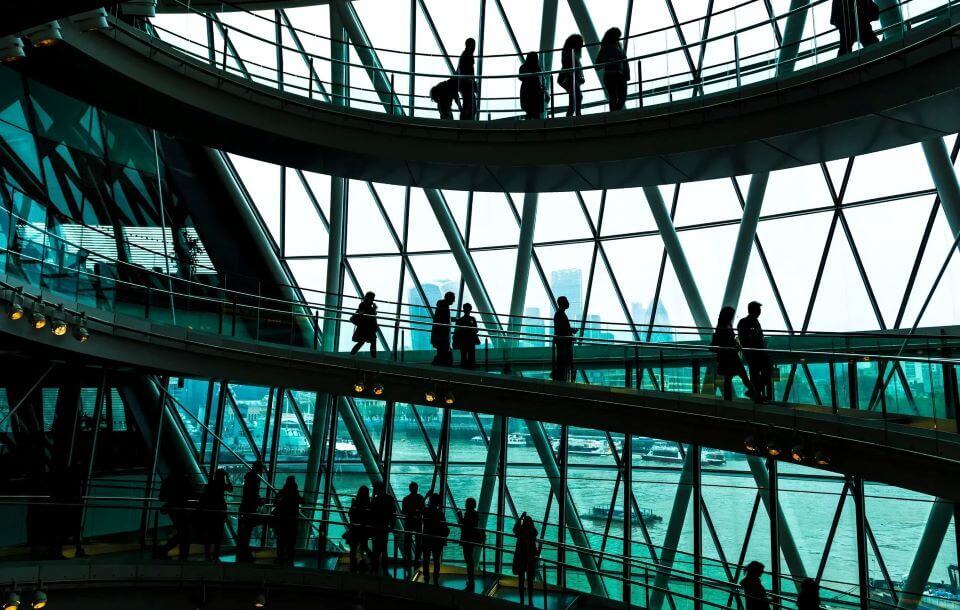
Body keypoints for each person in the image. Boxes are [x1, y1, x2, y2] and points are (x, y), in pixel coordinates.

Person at [712, 306, 755, 401]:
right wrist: (735, 345)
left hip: (728, 356)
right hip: (730, 356)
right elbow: (727, 341)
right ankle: (753, 393)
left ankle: (728, 399)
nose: (732, 316)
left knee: (729, 377)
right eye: (731, 314)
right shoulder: (725, 326)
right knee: (741, 374)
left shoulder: (722, 326)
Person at [737, 301, 773, 403]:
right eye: (759, 309)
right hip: (754, 353)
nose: (760, 311)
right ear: (755, 310)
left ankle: (755, 393)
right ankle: (756, 394)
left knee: (756, 375)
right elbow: (747, 339)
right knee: (763, 373)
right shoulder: (749, 322)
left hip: (754, 353)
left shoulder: (747, 322)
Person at [157, 470, 195, 561]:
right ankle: (182, 556)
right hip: (181, 509)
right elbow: (190, 493)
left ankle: (164, 550)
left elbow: (161, 497)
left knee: (182, 532)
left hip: (171, 509)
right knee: (185, 533)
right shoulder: (183, 479)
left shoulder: (167, 480)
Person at [200, 468, 233, 561]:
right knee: (218, 534)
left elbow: (204, 497)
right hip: (220, 512)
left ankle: (207, 554)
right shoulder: (222, 485)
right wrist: (228, 478)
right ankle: (216, 554)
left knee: (209, 533)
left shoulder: (210, 484)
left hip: (210, 512)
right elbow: (231, 489)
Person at [236, 461, 265, 563]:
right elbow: (252, 494)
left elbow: (250, 493)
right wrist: (259, 500)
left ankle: (242, 552)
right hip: (249, 509)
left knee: (245, 532)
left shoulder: (250, 478)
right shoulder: (254, 479)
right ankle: (244, 552)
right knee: (246, 532)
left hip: (246, 508)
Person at [596, 27, 630, 111]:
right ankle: (614, 114)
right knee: (615, 97)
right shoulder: (608, 48)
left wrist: (627, 73)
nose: (618, 39)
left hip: (616, 75)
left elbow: (625, 60)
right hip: (612, 75)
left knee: (621, 97)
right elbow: (597, 64)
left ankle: (614, 113)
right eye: (617, 37)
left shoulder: (616, 46)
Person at [272, 476, 303, 566]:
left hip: (281, 521)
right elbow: (302, 500)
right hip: (292, 521)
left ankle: (280, 558)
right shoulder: (295, 493)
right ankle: (289, 559)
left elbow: (274, 501)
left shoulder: (282, 492)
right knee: (291, 542)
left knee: (281, 541)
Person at [421, 492, 448, 585]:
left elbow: (421, 508)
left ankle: (426, 577)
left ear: (430, 501)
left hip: (427, 538)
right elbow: (444, 525)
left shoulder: (426, 511)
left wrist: (425, 497)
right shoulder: (440, 513)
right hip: (438, 539)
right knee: (436, 560)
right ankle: (436, 577)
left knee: (426, 558)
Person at [512, 513, 539, 606]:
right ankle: (530, 600)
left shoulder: (521, 532)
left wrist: (521, 517)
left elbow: (515, 528)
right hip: (530, 558)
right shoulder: (533, 532)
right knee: (530, 580)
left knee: (521, 579)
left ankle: (522, 599)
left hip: (520, 558)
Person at [369, 482, 394, 575]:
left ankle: (375, 568)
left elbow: (371, 513)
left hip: (376, 527)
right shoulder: (390, 499)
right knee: (384, 549)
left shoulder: (376, 500)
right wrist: (392, 525)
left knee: (376, 548)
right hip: (384, 526)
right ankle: (384, 568)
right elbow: (393, 513)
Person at [401, 482, 425, 576]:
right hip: (418, 522)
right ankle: (417, 560)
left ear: (409, 489)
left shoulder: (406, 499)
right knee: (419, 542)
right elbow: (423, 509)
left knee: (407, 541)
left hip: (409, 522)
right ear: (417, 488)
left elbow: (403, 512)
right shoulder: (420, 498)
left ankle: (408, 559)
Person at [551, 296, 577, 382]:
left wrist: (570, 331)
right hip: (563, 343)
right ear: (562, 303)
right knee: (563, 363)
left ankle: (561, 379)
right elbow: (562, 329)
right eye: (566, 301)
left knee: (562, 363)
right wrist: (571, 333)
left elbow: (561, 329)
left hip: (562, 342)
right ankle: (561, 380)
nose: (568, 303)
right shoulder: (560, 314)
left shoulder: (559, 314)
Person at [458, 497, 482, 592]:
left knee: (469, 560)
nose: (465, 505)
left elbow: (466, 525)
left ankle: (471, 580)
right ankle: (470, 579)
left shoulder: (470, 514)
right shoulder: (474, 514)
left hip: (467, 538)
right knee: (469, 559)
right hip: (470, 538)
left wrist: (460, 517)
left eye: (466, 503)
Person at [558, 34, 585, 117]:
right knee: (577, 97)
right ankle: (576, 115)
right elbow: (573, 66)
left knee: (574, 98)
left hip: (569, 78)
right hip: (569, 78)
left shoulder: (569, 53)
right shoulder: (570, 53)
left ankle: (573, 116)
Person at [348, 485, 372, 573]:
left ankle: (353, 565)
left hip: (354, 529)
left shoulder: (355, 502)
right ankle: (371, 560)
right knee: (364, 546)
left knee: (353, 549)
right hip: (363, 529)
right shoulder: (368, 504)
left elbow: (350, 514)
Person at [350, 292, 379, 358]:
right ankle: (374, 358)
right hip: (367, 328)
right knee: (371, 342)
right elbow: (370, 316)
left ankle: (351, 355)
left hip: (365, 328)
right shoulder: (365, 306)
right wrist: (374, 310)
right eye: (372, 298)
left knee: (362, 342)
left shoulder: (364, 305)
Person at [518, 52, 546, 119]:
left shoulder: (523, 67)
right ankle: (538, 127)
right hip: (536, 92)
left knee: (529, 112)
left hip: (527, 91)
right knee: (536, 113)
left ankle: (528, 127)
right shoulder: (538, 68)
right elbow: (541, 80)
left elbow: (520, 77)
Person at [431, 291, 456, 367]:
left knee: (441, 352)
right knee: (443, 352)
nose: (453, 301)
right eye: (453, 299)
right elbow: (443, 320)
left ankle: (437, 366)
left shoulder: (441, 306)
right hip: (442, 335)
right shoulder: (444, 307)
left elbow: (440, 319)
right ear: (449, 298)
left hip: (438, 334)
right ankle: (438, 366)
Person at [453, 303, 480, 370]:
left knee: (463, 357)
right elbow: (476, 330)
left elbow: (456, 331)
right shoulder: (472, 319)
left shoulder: (460, 320)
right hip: (470, 341)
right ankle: (471, 371)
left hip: (463, 341)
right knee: (471, 357)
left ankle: (464, 371)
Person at [457, 38, 477, 120]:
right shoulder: (467, 55)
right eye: (473, 45)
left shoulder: (465, 54)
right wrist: (472, 82)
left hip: (465, 84)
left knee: (468, 106)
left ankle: (464, 123)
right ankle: (465, 123)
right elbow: (465, 71)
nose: (474, 47)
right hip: (466, 85)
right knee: (470, 106)